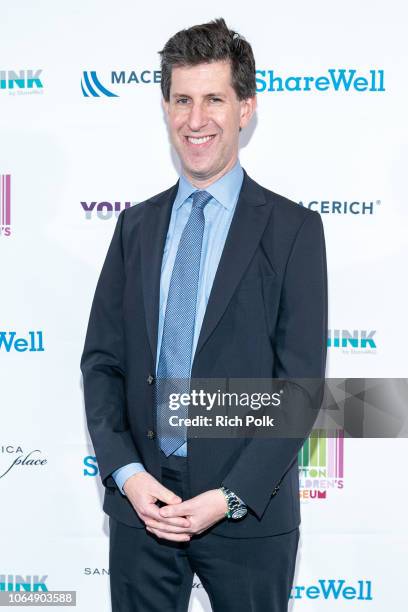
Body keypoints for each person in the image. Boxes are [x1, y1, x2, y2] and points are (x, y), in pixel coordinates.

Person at [80, 17, 328, 612]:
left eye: (214, 98)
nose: (197, 119)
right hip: (143, 510)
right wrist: (127, 475)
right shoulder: (133, 227)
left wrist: (229, 495)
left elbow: (299, 389)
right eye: (182, 100)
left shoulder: (294, 230)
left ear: (246, 107)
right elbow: (102, 364)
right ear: (164, 106)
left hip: (246, 512)